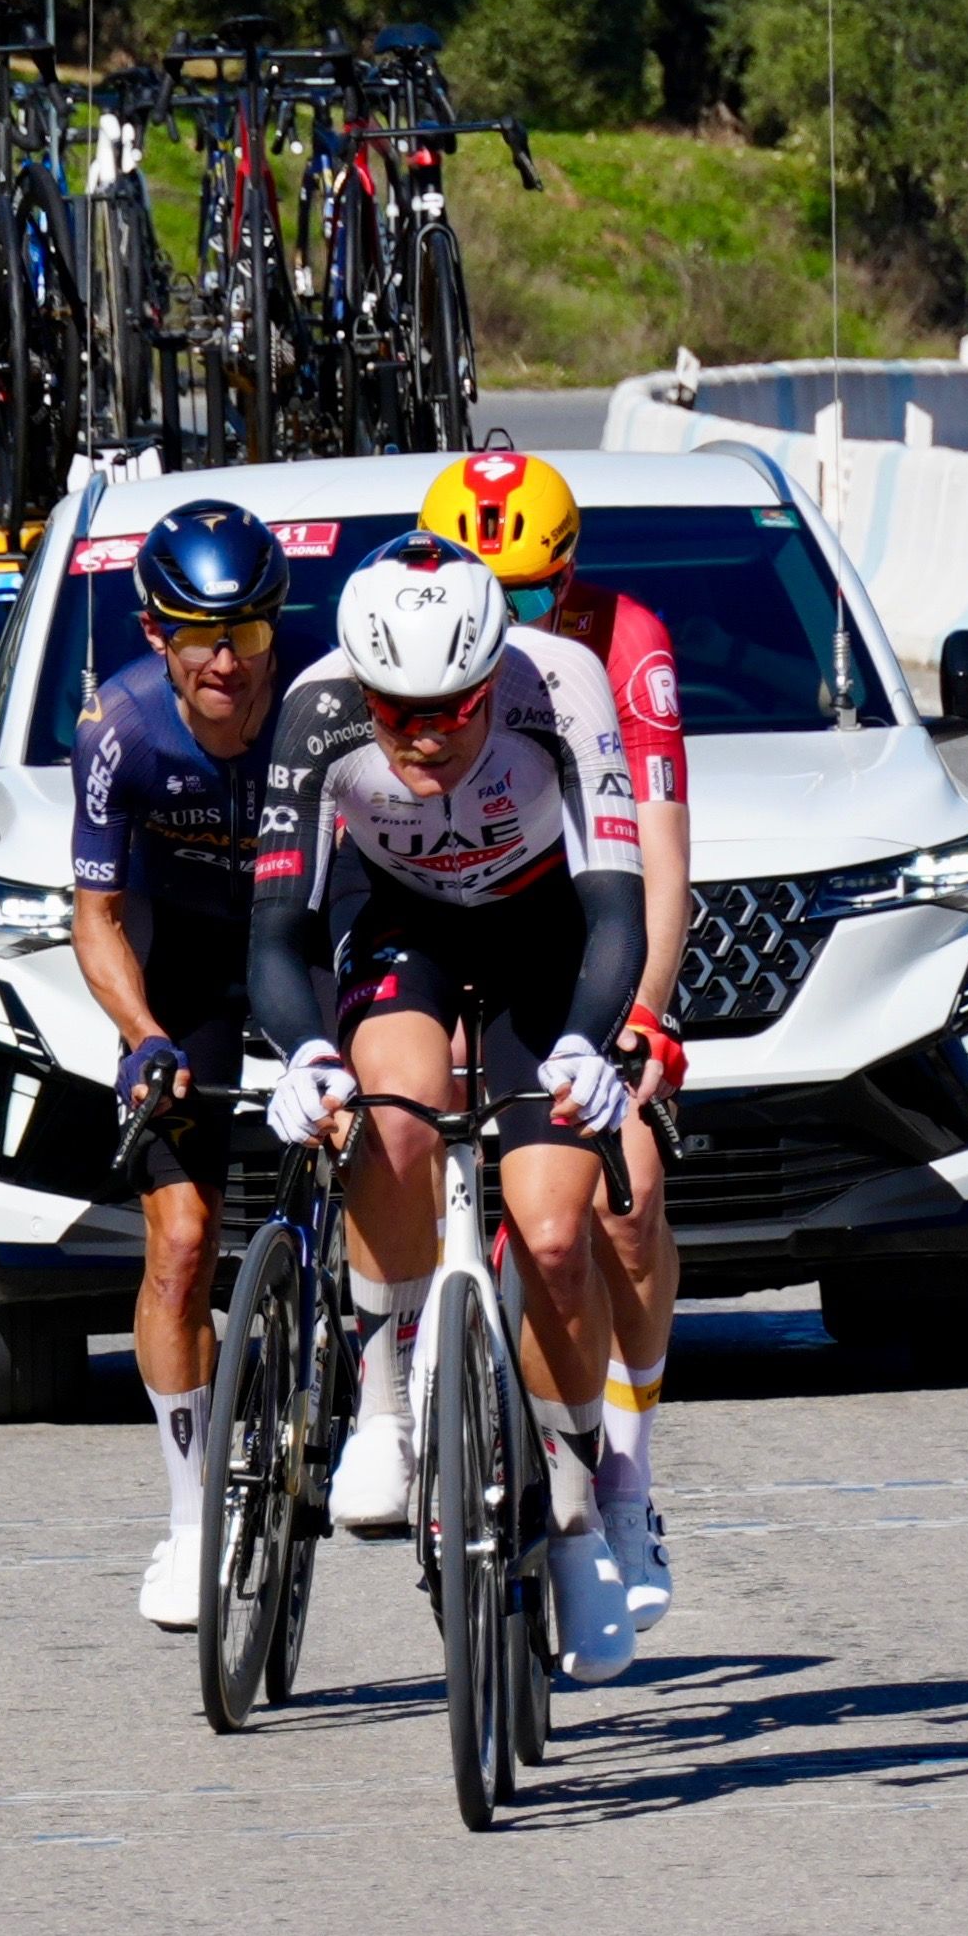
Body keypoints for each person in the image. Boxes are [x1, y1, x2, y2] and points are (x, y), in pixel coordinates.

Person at [251, 532, 652, 1683]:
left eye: (453, 708)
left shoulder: (558, 687)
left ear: (492, 677)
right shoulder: (318, 711)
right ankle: (382, 1409)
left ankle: (576, 1525)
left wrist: (590, 1036)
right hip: (398, 922)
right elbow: (277, 937)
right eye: (397, 711)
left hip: (541, 930)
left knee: (561, 1232)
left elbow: (616, 907)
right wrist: (306, 1051)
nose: (424, 734)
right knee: (394, 1111)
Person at [417, 449, 694, 1632]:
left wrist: (638, 1022)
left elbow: (661, 851)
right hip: (435, 911)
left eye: (531, 596)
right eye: (490, 592)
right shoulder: (408, 626)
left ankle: (622, 1476)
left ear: (568, 578)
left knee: (622, 1204)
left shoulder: (621, 642)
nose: (510, 618)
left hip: (579, 922)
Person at [71, 502, 290, 1632]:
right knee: (185, 1239)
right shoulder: (120, 725)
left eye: (249, 635)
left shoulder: (319, 703)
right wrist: (143, 1033)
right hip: (188, 963)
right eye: (199, 637)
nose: (225, 663)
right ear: (158, 633)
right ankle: (191, 1511)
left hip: (307, 939)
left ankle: (392, 1404)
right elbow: (96, 916)